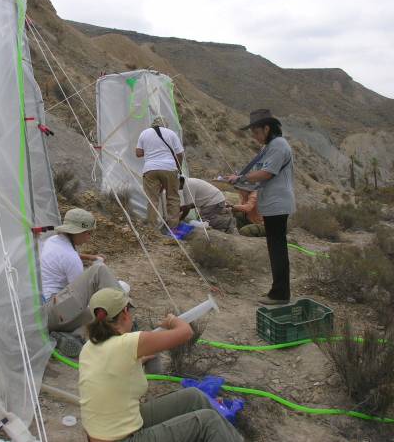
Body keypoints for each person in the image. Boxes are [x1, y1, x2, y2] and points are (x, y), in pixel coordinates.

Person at [79, 288, 244, 442]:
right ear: (124, 313)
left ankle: (229, 436)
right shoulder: (128, 343)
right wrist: (173, 321)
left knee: (193, 396)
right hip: (122, 438)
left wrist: (141, 359)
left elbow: (113, 367)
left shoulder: (90, 346)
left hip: (113, 428)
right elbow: (185, 333)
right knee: (208, 421)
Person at [226, 109, 295, 305]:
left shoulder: (278, 145)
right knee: (275, 248)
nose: (255, 137)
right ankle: (277, 290)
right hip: (273, 204)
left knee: (277, 249)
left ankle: (280, 294)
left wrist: (241, 177)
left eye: (256, 133)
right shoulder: (271, 146)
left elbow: (266, 173)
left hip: (278, 204)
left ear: (267, 128)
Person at [40, 208, 124, 337]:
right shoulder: (71, 258)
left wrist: (89, 257)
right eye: (87, 233)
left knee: (95, 316)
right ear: (75, 232)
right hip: (56, 312)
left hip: (46, 311)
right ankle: (123, 318)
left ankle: (71, 336)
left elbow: (65, 256)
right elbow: (83, 298)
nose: (88, 238)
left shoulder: (52, 241)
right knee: (100, 272)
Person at [136, 116, 184, 229]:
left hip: (150, 169)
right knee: (172, 197)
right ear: (165, 125)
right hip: (169, 168)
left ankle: (152, 228)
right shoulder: (171, 133)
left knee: (152, 199)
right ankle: (172, 227)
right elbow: (180, 154)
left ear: (153, 124)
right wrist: (179, 168)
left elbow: (138, 153)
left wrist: (150, 152)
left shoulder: (144, 133)